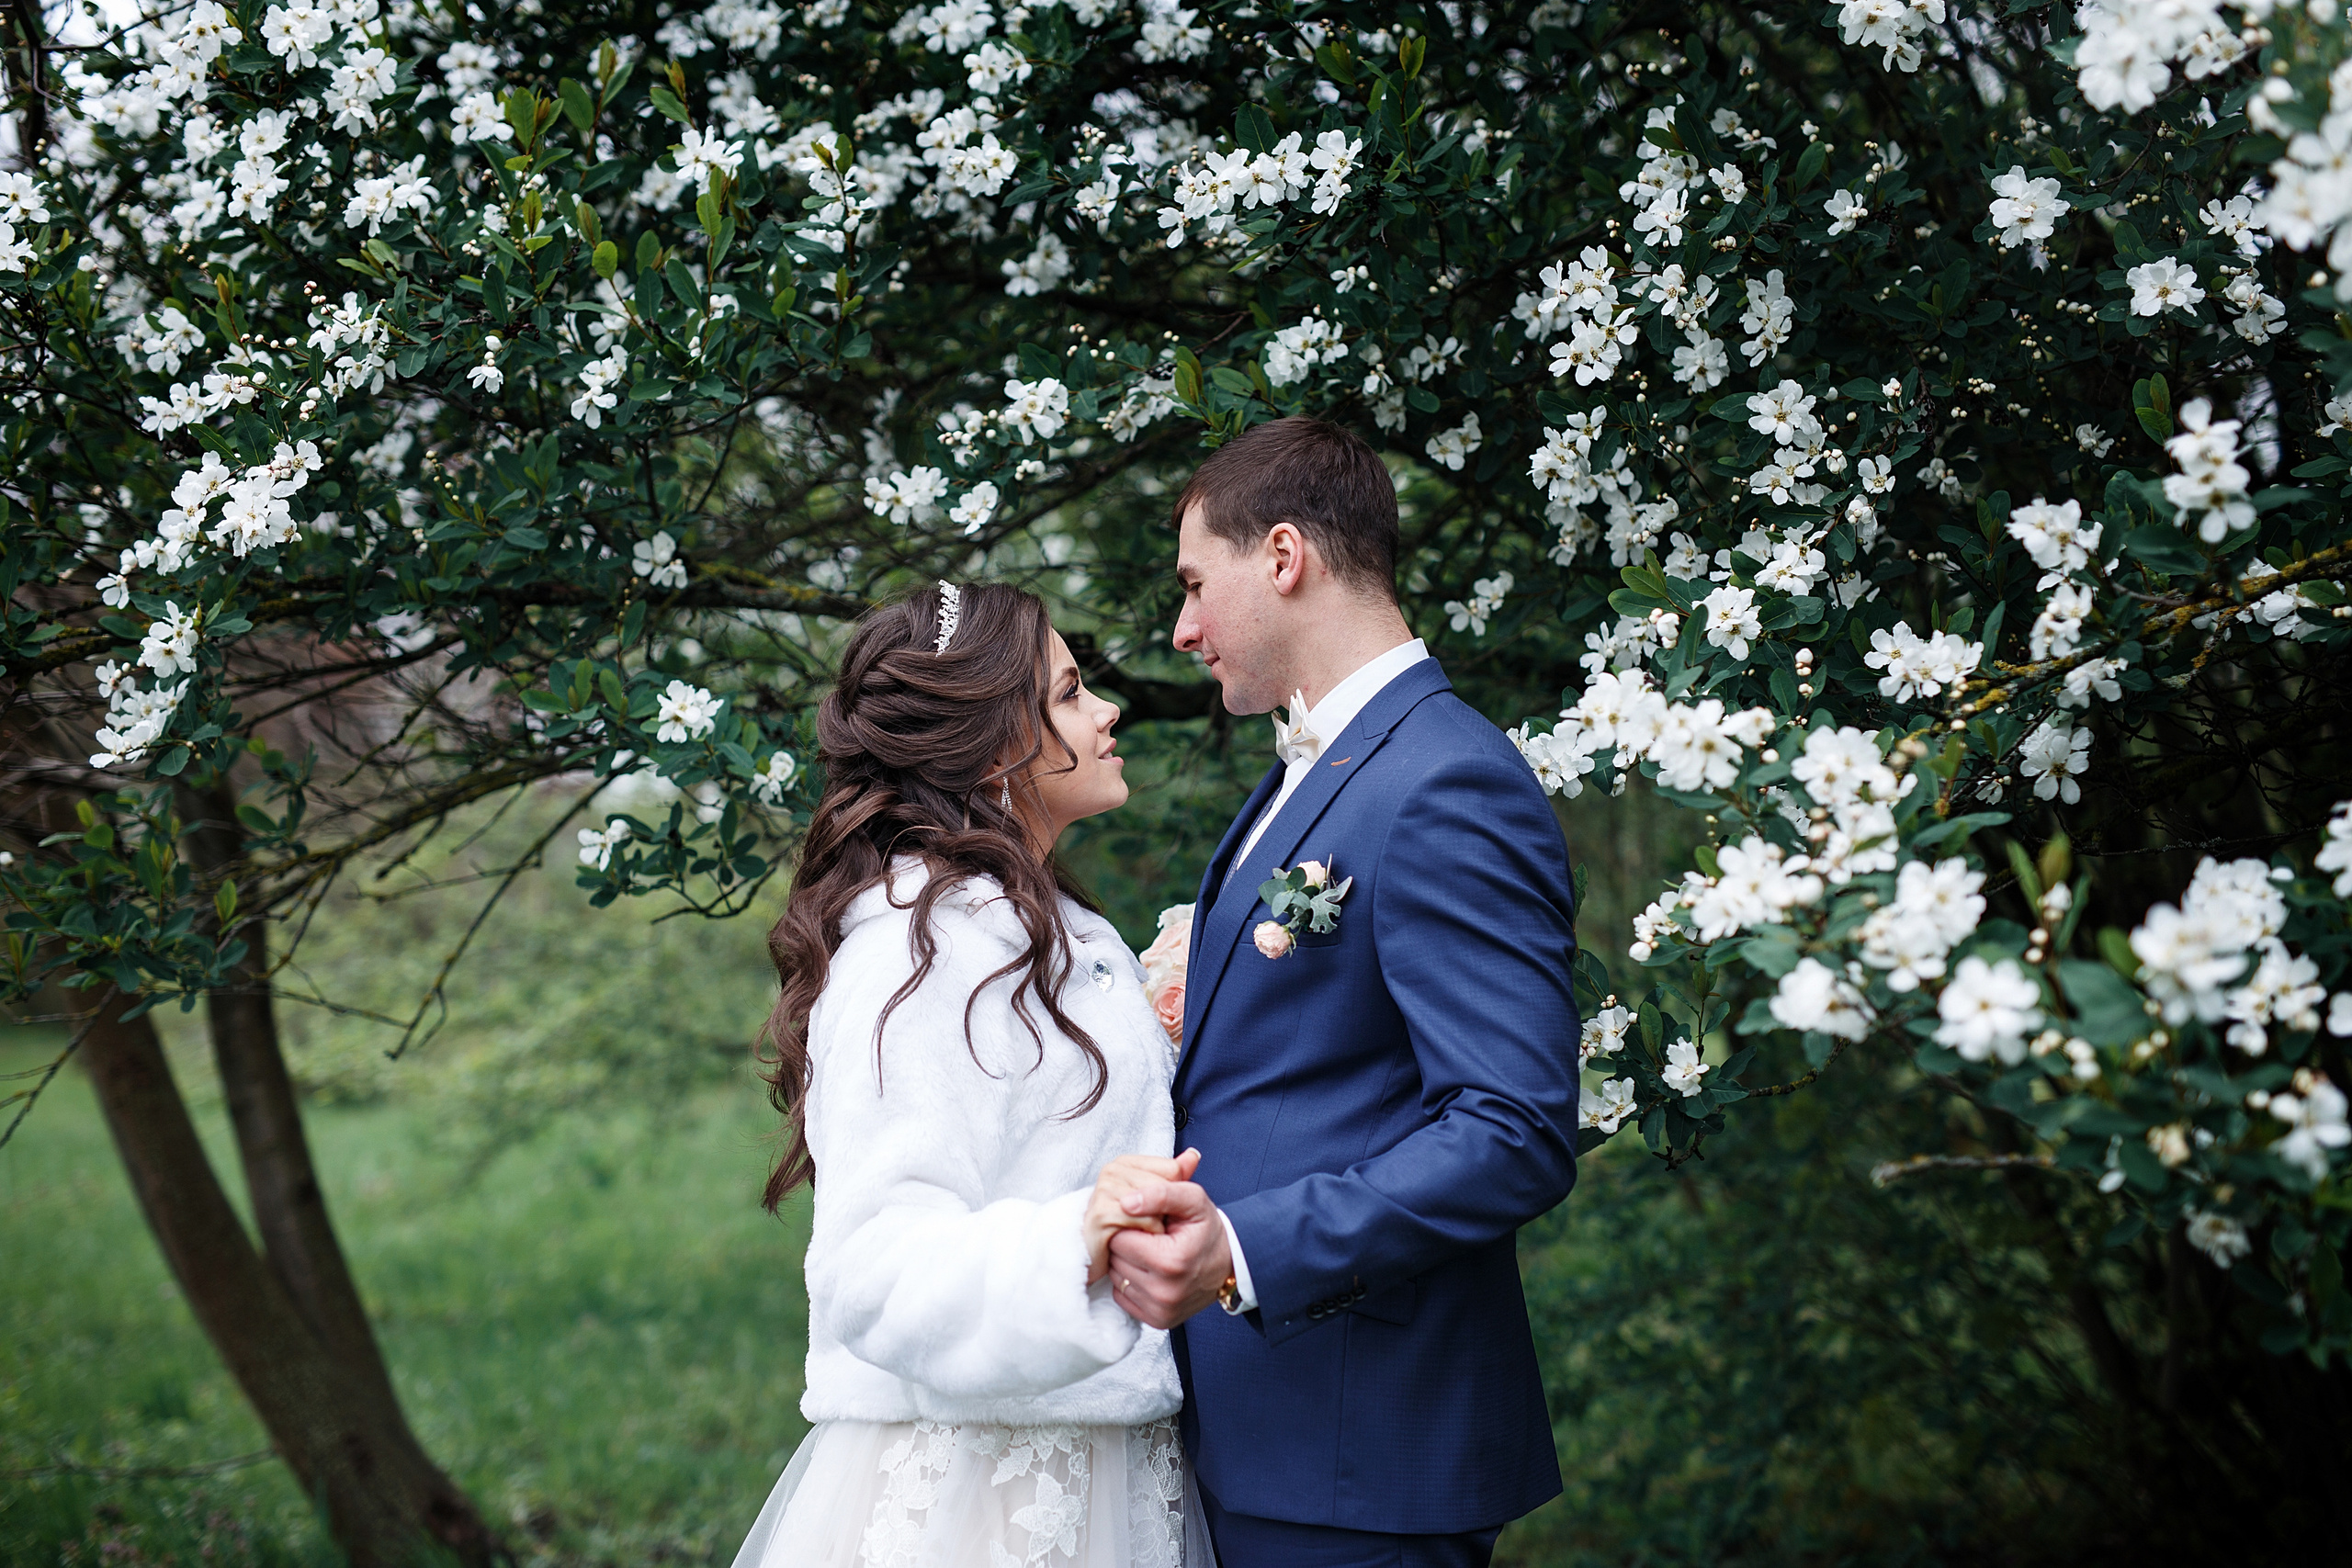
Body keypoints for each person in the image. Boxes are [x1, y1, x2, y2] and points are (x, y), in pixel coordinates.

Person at [1105, 416, 1583, 1567]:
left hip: (1357, 1447)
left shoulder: (1446, 778)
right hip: (1262, 1421)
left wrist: (1244, 1250)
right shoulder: (1321, 767)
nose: (1181, 629)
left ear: (1282, 557)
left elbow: (1514, 1129)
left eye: (1192, 583)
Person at [731, 581, 1212, 1568]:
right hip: (974, 1497)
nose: (1106, 710)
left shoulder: (1054, 933)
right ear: (998, 748)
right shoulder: (917, 953)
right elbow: (873, 1267)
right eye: (1072, 693)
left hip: (1107, 1467)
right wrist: (1071, 1240)